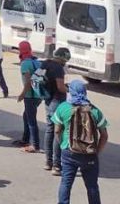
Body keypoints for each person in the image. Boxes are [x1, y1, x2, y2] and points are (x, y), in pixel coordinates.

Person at [52, 79, 109, 204]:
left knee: (66, 183)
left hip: (69, 151)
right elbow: (104, 135)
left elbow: (56, 131)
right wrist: (96, 152)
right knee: (92, 186)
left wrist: (63, 145)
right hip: (89, 154)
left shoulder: (63, 108)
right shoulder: (94, 111)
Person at [43, 47, 72, 175]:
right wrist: (70, 90)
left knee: (49, 129)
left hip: (47, 100)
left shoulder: (45, 63)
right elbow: (60, 87)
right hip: (57, 101)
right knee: (58, 132)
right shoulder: (58, 68)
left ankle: (48, 162)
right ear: (63, 58)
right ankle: (57, 165)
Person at [15, 40, 43, 153]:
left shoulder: (25, 64)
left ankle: (35, 145)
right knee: (26, 115)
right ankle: (25, 139)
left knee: (31, 119)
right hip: (39, 95)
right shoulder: (37, 62)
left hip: (30, 96)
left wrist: (22, 95)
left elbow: (28, 82)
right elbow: (38, 80)